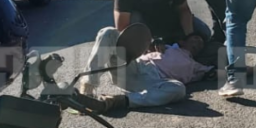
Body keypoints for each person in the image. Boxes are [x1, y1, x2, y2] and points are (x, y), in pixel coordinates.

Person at [78, 31, 212, 112]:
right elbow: (139, 43)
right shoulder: (165, 47)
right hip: (133, 66)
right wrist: (152, 43)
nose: (199, 42)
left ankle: (116, 101)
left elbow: (216, 72)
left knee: (179, 89)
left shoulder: (196, 66)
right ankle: (88, 91)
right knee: (109, 32)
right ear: (182, 41)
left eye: (201, 44)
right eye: (196, 38)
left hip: (152, 81)